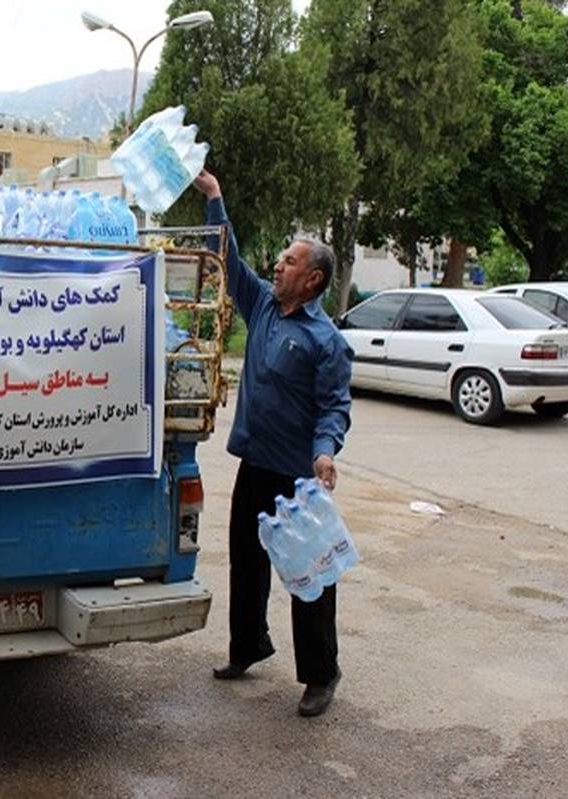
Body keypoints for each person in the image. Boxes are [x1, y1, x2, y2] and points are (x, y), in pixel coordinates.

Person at [193, 169, 353, 718]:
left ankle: (321, 674)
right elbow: (228, 259)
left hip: (298, 478)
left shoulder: (325, 340)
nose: (278, 265)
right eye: (281, 258)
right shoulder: (261, 304)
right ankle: (248, 648)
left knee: (308, 580)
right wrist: (216, 198)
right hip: (255, 467)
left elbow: (334, 407)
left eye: (289, 260)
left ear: (312, 280)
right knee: (247, 563)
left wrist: (326, 450)